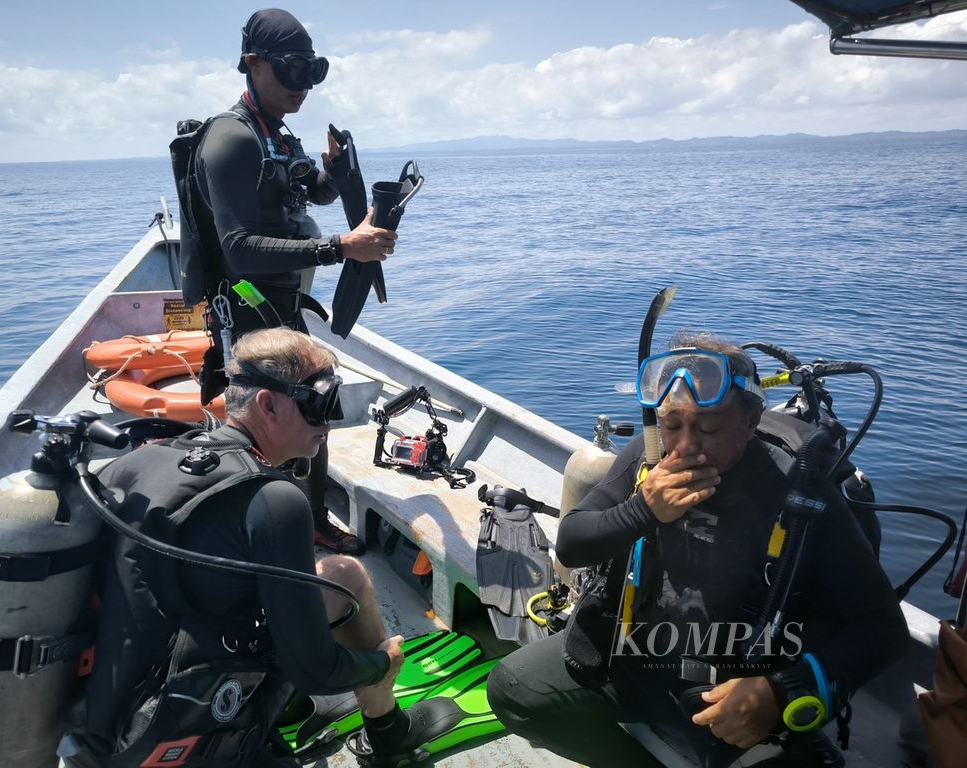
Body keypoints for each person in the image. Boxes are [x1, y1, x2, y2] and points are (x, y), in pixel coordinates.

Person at [487, 332, 909, 768]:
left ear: (750, 423)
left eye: (708, 428)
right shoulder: (650, 460)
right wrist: (642, 511)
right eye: (672, 426)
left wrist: (781, 690)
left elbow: (883, 628)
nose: (686, 446)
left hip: (743, 688)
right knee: (512, 689)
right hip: (643, 663)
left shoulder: (797, 489)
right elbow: (573, 543)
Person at [64, 328, 446, 767]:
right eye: (319, 403)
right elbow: (315, 670)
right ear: (267, 404)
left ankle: (311, 713)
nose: (330, 422)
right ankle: (388, 732)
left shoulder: (145, 459)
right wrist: (382, 664)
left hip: (96, 728)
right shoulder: (274, 500)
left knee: (343, 574)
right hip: (169, 738)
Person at [192, 8, 398, 555]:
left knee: (312, 398)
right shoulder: (232, 140)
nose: (302, 87)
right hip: (245, 296)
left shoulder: (277, 135)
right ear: (253, 64)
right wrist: (339, 248)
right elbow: (237, 248)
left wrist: (333, 171)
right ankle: (248, 517)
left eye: (312, 72)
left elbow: (314, 193)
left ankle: (309, 517)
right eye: (291, 71)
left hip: (280, 295)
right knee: (266, 412)